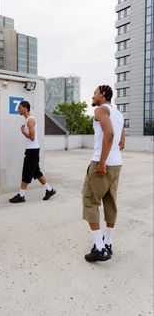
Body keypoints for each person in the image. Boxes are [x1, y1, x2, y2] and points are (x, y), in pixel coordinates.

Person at [82, 85, 125, 262]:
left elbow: (109, 134)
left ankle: (99, 248)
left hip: (103, 163)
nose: (93, 96)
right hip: (117, 163)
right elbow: (121, 143)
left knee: (90, 201)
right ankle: (108, 242)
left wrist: (102, 162)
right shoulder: (119, 114)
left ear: (103, 95)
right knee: (110, 202)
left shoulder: (101, 110)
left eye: (95, 93)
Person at [9, 101, 56, 203]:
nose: (19, 110)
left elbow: (32, 137)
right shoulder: (28, 120)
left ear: (26, 108)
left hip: (32, 150)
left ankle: (21, 196)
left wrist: (23, 132)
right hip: (32, 150)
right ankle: (49, 190)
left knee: (26, 172)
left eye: (20, 108)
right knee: (36, 172)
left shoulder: (30, 120)